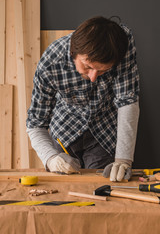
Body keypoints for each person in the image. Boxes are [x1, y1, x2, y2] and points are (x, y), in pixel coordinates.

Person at [26, 16, 140, 182]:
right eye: (87, 66)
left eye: (102, 71)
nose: (93, 77)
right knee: (64, 191)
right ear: (74, 52)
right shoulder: (51, 62)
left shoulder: (120, 44)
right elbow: (35, 124)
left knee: (101, 190)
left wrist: (123, 159)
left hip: (104, 132)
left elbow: (127, 101)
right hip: (64, 133)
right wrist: (50, 158)